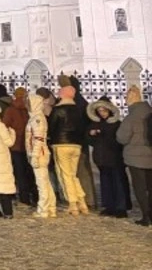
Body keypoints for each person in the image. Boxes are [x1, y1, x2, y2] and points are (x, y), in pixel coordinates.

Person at [49, 86, 89, 216]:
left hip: (61, 144)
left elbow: (52, 127)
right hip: (76, 145)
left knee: (65, 174)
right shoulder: (78, 110)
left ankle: (73, 203)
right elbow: (83, 127)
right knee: (73, 174)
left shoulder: (58, 109)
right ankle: (81, 201)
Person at [87, 97, 128, 218]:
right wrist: (91, 135)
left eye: (104, 110)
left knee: (118, 183)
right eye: (100, 111)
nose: (102, 113)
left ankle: (121, 207)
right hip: (101, 159)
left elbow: (120, 141)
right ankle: (109, 206)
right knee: (105, 183)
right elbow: (89, 140)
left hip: (115, 158)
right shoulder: (94, 124)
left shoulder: (117, 124)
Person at [116, 85, 152, 226]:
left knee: (140, 188)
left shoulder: (131, 117)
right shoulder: (149, 112)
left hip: (135, 158)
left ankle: (146, 216)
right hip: (150, 155)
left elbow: (122, 137)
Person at [2, 87, 36, 206]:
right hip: (29, 144)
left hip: (16, 145)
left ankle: (24, 197)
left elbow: (5, 126)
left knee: (20, 172)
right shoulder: (30, 109)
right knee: (31, 171)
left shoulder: (10, 110)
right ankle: (36, 195)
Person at [67, 76, 97, 210]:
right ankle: (87, 198)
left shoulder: (73, 103)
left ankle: (87, 199)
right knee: (82, 171)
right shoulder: (82, 102)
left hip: (75, 140)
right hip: (80, 140)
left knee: (80, 171)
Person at [25, 94, 57, 218]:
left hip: (39, 154)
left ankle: (43, 209)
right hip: (39, 153)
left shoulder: (37, 119)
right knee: (46, 182)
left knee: (41, 183)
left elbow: (38, 139)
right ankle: (51, 207)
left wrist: (34, 155)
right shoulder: (36, 117)